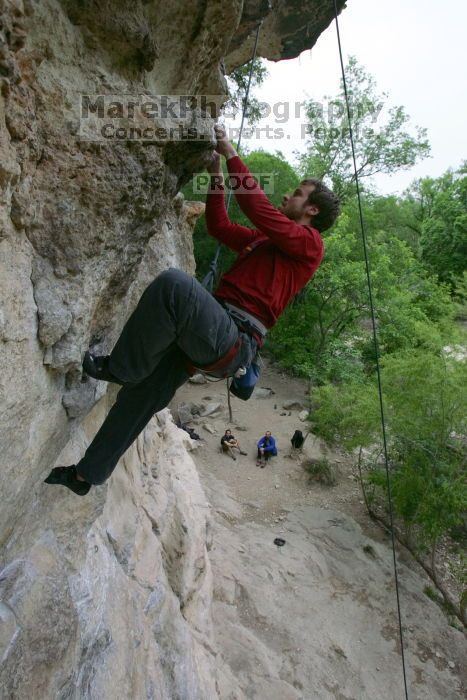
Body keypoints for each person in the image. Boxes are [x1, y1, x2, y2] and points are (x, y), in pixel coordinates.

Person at [44, 125, 340, 496]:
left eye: (297, 193)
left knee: (174, 285)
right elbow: (219, 227)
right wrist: (217, 176)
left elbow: (257, 208)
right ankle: (85, 475)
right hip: (214, 333)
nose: (288, 194)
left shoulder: (309, 244)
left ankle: (120, 367)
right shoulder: (267, 242)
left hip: (233, 337)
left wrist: (230, 154)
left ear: (311, 210)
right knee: (140, 397)